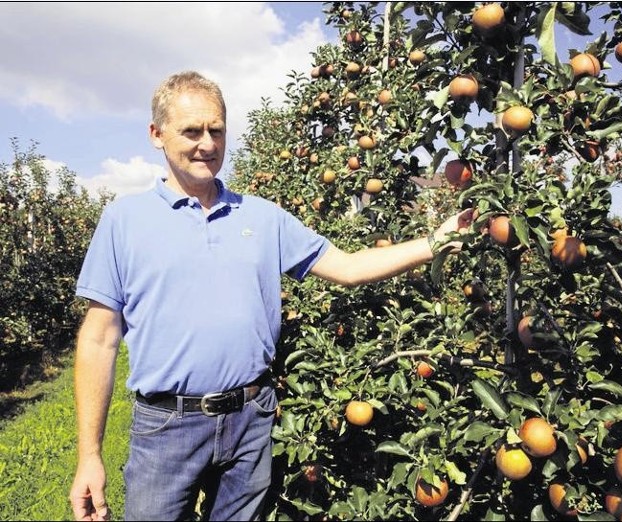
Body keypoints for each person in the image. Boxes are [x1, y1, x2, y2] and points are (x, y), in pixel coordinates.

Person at [68, 70, 474, 522]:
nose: (207, 143)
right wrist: (90, 454)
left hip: (250, 419)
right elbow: (99, 339)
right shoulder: (125, 221)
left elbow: (348, 267)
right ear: (156, 135)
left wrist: (435, 242)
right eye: (191, 131)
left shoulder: (263, 217)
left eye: (216, 130)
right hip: (167, 426)